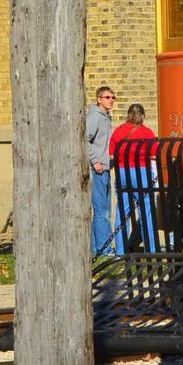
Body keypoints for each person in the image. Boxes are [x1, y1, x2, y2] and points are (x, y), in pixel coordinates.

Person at [109, 103, 158, 253]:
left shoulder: (118, 132)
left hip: (122, 172)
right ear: (142, 116)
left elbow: (111, 154)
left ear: (128, 115)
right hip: (141, 171)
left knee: (122, 213)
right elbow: (154, 154)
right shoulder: (147, 133)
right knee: (147, 211)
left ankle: (120, 251)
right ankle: (151, 249)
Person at [85, 86, 117, 256]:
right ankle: (105, 250)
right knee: (102, 211)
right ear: (99, 99)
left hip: (105, 168)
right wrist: (95, 161)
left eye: (113, 97)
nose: (111, 100)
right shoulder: (94, 117)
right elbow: (84, 139)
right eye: (107, 97)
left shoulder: (105, 117)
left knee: (103, 210)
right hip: (96, 170)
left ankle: (96, 248)